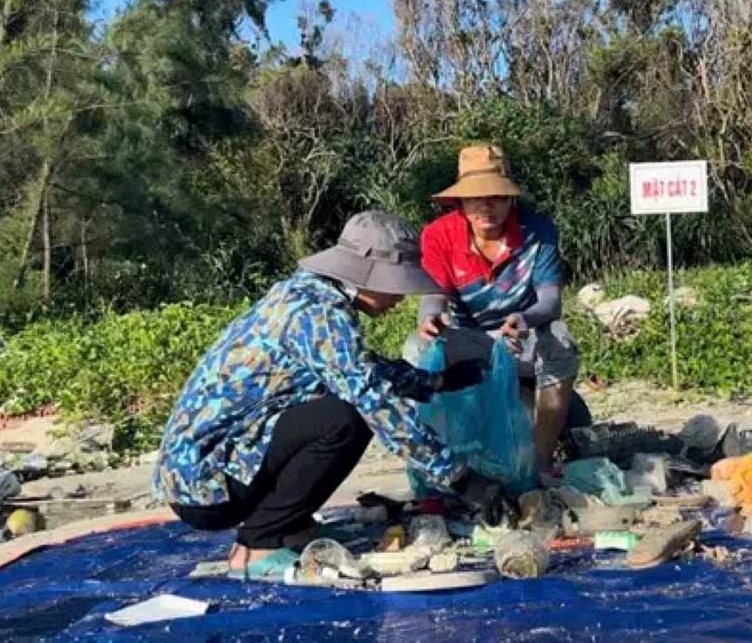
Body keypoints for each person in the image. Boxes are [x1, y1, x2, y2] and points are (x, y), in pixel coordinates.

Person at [153, 212, 515, 580]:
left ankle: (291, 527)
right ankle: (260, 543)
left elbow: (361, 368)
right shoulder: (319, 314)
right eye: (397, 287)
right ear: (367, 274)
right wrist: (459, 479)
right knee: (347, 419)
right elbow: (376, 401)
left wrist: (435, 382)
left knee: (338, 408)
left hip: (211, 467)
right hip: (205, 486)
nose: (399, 298)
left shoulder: (309, 294)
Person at [415, 143, 586, 476]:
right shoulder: (438, 235)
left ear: (510, 199)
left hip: (523, 334)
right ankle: (442, 465)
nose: (484, 207)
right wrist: (430, 317)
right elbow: (433, 295)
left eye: (494, 197)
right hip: (468, 338)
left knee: (561, 341)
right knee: (416, 350)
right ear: (460, 202)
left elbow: (550, 301)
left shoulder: (538, 231)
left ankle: (539, 464)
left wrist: (525, 318)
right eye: (473, 199)